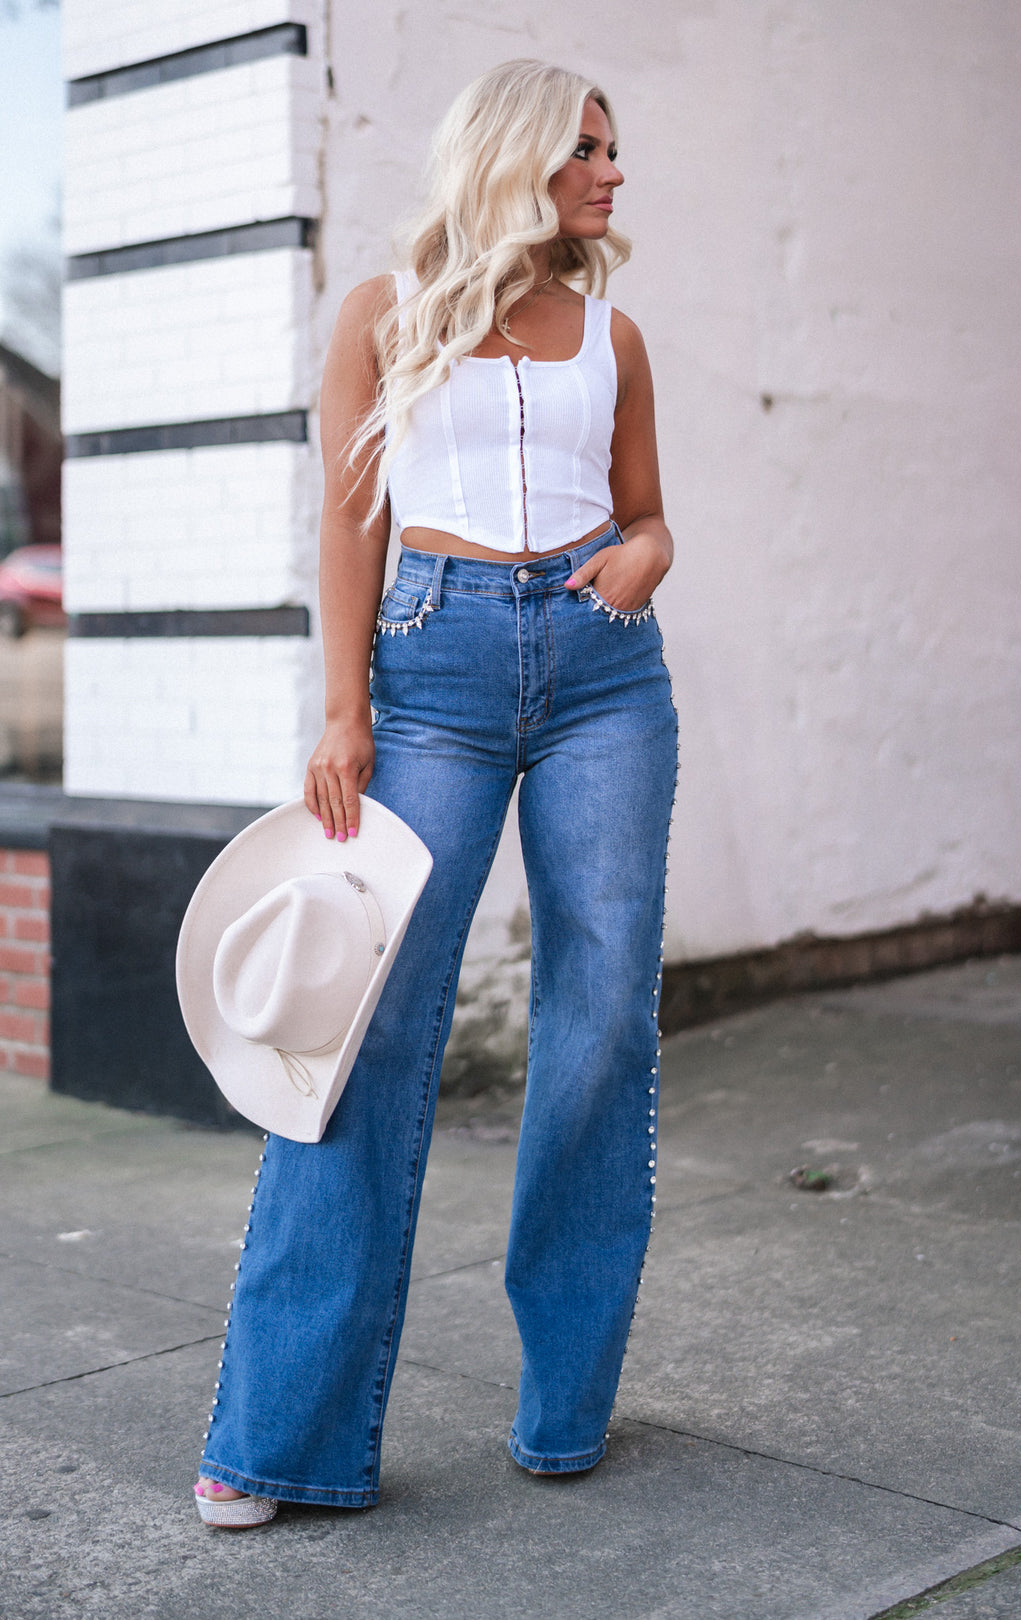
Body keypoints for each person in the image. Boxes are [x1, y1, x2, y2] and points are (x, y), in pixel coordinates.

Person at [194, 57, 677, 1526]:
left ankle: (566, 1406)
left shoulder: (616, 334)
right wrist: (341, 711)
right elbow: (351, 525)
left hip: (605, 678)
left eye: (614, 149)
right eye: (587, 149)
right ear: (518, 154)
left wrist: (648, 555)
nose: (611, 172)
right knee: (369, 1027)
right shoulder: (385, 316)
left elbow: (649, 513)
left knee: (601, 1023)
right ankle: (279, 1435)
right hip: (435, 673)